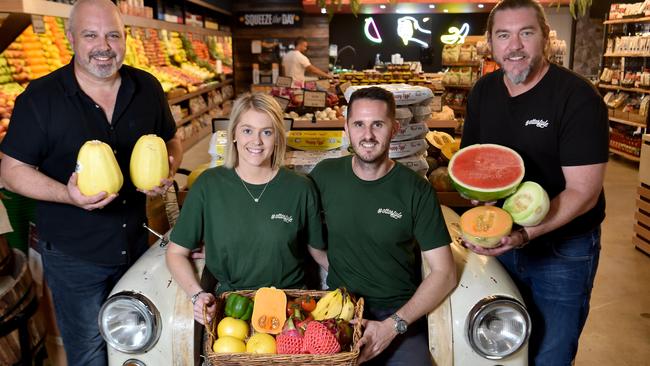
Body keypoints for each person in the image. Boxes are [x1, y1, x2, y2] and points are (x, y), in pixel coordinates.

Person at [0, 0, 182, 364]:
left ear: (124, 37)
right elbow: (10, 171)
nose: (104, 46)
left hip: (135, 244)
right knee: (88, 351)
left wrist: (170, 167)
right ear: (71, 38)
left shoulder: (146, 87)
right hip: (74, 255)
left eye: (113, 35)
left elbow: (171, 139)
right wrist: (67, 196)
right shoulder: (41, 98)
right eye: (91, 35)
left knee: (137, 341)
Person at [460, 1, 609, 365]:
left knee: (551, 354)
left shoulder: (577, 97)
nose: (514, 46)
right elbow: (474, 169)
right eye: (503, 35)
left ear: (543, 38)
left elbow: (583, 193)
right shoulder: (483, 92)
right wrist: (483, 216)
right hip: (503, 244)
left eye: (526, 33)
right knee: (503, 348)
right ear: (491, 44)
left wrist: (526, 234)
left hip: (563, 250)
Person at [309, 86, 457, 365]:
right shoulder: (325, 176)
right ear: (347, 128)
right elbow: (290, 220)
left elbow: (444, 273)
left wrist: (392, 327)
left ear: (394, 128)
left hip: (399, 315)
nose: (367, 135)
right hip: (341, 312)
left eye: (377, 124)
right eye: (359, 124)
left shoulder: (416, 190)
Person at [166, 92, 328, 325]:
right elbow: (175, 253)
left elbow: (319, 253)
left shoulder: (300, 187)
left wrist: (357, 283)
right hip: (232, 307)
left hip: (291, 309)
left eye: (267, 132)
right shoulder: (209, 185)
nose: (257, 141)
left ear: (278, 137)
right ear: (233, 134)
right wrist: (197, 295)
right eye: (247, 130)